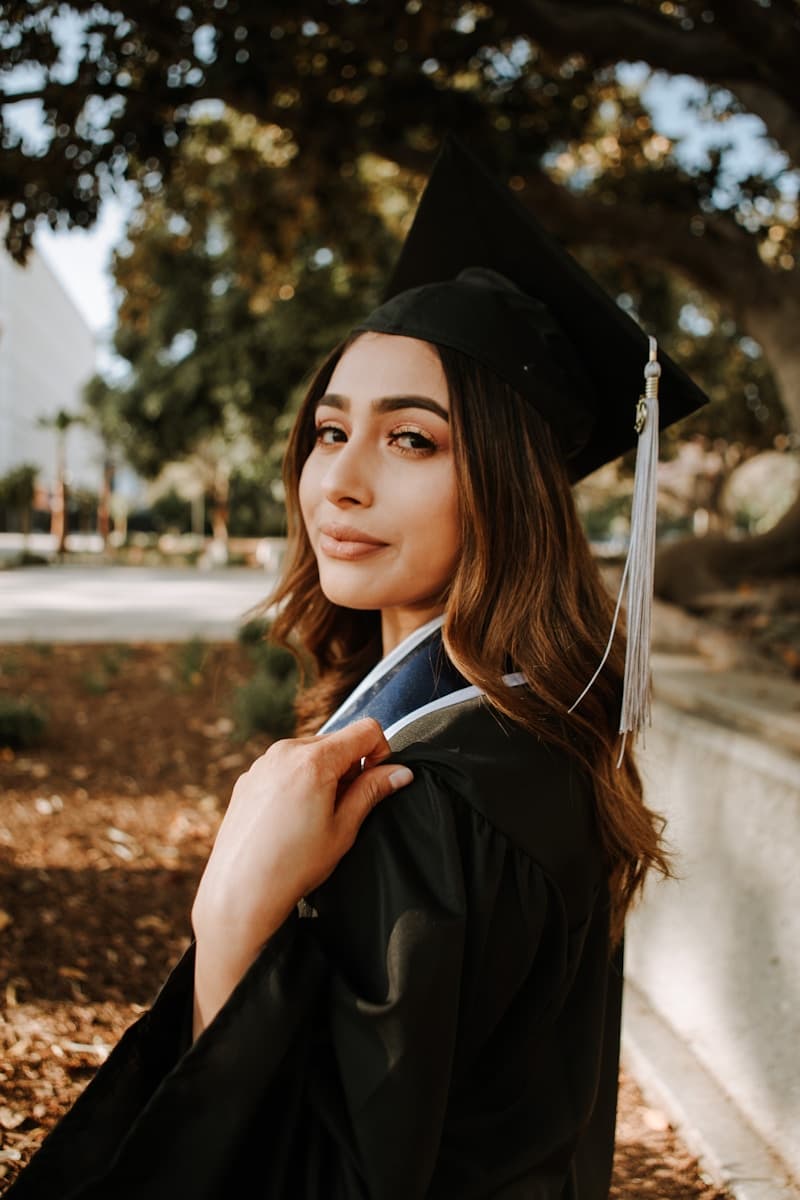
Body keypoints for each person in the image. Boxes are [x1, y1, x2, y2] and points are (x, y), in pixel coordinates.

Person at [4, 136, 707, 1200]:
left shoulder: (433, 797)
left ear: (508, 489)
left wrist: (230, 911)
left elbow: (327, 1178)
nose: (338, 481)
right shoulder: (537, 734)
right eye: (330, 431)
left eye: (411, 441)